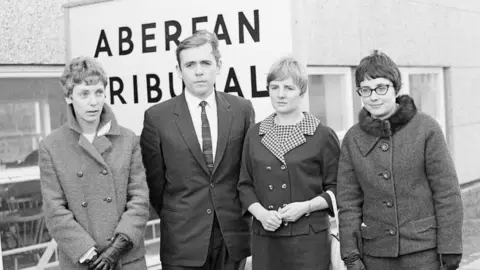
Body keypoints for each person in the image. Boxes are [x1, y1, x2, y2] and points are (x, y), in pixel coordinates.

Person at [337, 50, 463, 270]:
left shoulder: (426, 128)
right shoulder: (352, 139)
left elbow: (447, 192)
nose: (373, 96)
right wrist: (350, 255)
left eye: (381, 88)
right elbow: (348, 202)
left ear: (395, 87)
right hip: (376, 255)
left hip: (424, 253)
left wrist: (450, 248)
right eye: (365, 90)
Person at [140, 30, 255, 270]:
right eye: (190, 64)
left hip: (232, 239)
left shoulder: (241, 110)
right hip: (182, 242)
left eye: (205, 63)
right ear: (179, 71)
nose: (199, 71)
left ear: (219, 65)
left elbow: (248, 173)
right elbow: (155, 185)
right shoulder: (157, 118)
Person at [39, 56, 150, 270]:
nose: (93, 102)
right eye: (84, 94)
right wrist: (88, 253)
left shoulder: (128, 140)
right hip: (82, 262)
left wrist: (118, 247)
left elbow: (139, 198)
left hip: (126, 259)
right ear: (69, 97)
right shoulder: (51, 146)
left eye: (99, 92)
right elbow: (55, 210)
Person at [237, 56, 341, 270]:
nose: (280, 94)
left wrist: (306, 207)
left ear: (302, 92)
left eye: (288, 88)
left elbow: (338, 188)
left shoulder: (322, 135)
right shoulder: (255, 134)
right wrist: (262, 214)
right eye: (274, 87)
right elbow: (245, 185)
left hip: (309, 241)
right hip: (266, 238)